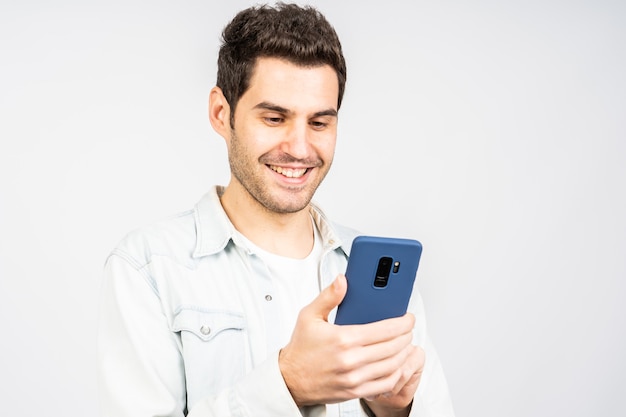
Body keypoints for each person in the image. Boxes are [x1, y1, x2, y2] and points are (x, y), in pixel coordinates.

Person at [97, 3, 455, 417]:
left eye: (319, 123)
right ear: (221, 113)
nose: (300, 149)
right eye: (274, 117)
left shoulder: (384, 276)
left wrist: (393, 411)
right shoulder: (147, 270)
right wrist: (288, 385)